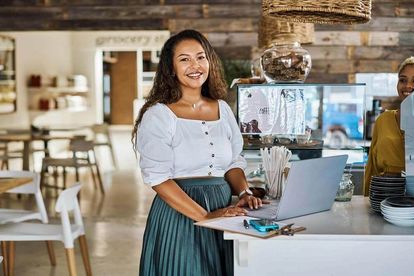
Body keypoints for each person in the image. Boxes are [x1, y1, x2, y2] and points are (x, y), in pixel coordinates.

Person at [132, 29, 263, 276]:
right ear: (171, 69)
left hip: (223, 210)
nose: (195, 65)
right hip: (179, 215)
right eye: (184, 59)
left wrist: (244, 192)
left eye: (201, 57)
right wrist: (206, 216)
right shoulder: (159, 115)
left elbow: (233, 162)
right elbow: (157, 179)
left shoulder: (222, 109)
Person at [364, 56, 414, 196]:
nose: (408, 86)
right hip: (385, 195)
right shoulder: (384, 120)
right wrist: (367, 198)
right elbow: (372, 166)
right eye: (403, 80)